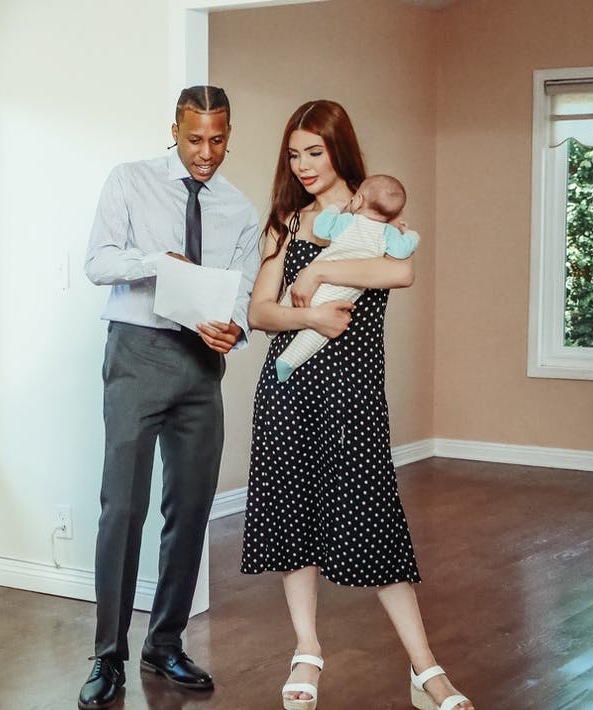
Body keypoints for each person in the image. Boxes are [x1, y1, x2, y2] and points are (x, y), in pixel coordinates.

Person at [240, 100, 475, 710]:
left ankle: (426, 671)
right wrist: (310, 312)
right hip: (288, 391)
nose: (302, 165)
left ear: (339, 149)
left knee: (373, 520)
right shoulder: (285, 223)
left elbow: (401, 274)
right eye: (293, 155)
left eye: (314, 152)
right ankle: (307, 652)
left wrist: (318, 272)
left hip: (352, 393)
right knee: (293, 522)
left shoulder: (373, 215)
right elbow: (259, 312)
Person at [78, 85, 261, 710]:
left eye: (217, 140)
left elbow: (239, 291)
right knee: (122, 509)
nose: (205, 153)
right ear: (174, 129)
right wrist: (157, 261)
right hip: (137, 353)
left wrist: (232, 329)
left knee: (190, 509)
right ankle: (108, 657)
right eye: (193, 139)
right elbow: (98, 263)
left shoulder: (240, 208)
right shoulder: (129, 181)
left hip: (199, 367)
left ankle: (166, 642)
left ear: (229, 133)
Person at [273, 173, 420, 382]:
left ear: (358, 199)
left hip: (313, 284)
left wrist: (336, 208)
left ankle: (278, 322)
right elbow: (402, 251)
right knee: (318, 332)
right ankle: (288, 361)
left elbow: (321, 228)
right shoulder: (387, 234)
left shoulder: (348, 221)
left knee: (292, 292)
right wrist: (410, 235)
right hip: (341, 292)